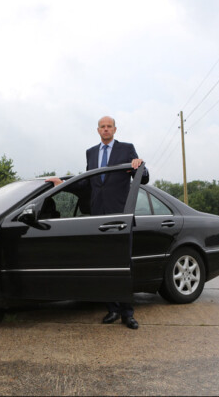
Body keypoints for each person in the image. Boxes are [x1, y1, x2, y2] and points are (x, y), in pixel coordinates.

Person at [47, 116, 149, 329]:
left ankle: (127, 314)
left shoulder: (127, 149)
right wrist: (63, 184)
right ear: (97, 130)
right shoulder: (91, 152)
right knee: (104, 264)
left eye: (109, 126)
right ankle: (111, 309)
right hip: (98, 216)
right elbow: (88, 184)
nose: (105, 129)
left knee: (123, 265)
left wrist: (139, 166)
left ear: (115, 129)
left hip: (120, 217)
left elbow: (144, 177)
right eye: (102, 127)